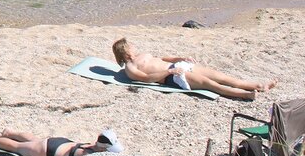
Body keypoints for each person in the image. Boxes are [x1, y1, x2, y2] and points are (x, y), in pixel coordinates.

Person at [111, 38, 277, 101]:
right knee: (209, 83)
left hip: (177, 67)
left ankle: (259, 86)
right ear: (125, 51)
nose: (133, 46)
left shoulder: (143, 54)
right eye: (130, 46)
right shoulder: (130, 68)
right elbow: (147, 79)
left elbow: (162, 59)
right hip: (172, 77)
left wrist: (180, 58)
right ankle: (246, 95)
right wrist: (169, 72)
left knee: (221, 76)